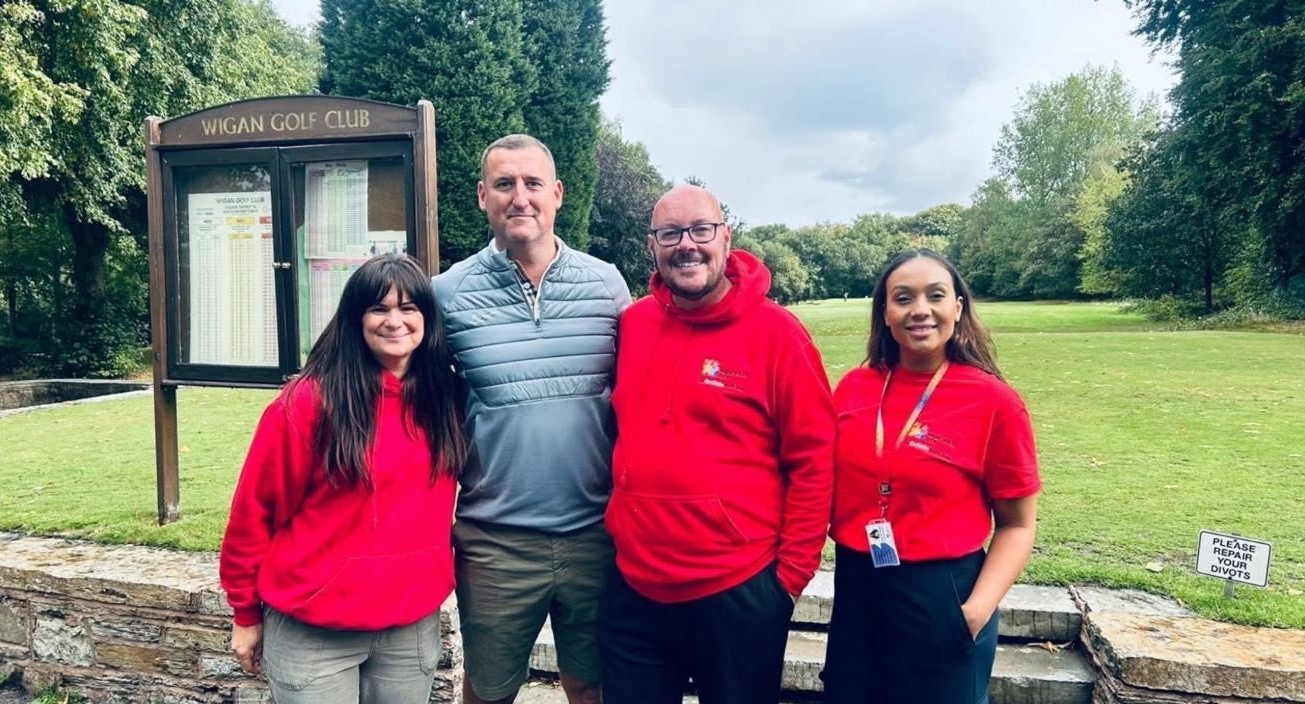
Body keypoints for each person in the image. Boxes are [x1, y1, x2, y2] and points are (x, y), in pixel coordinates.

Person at [598, 184, 835, 704]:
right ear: (652, 246)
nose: (687, 244)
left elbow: (815, 461)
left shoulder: (778, 334)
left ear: (726, 237)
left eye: (701, 230)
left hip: (737, 588)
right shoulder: (633, 325)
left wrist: (787, 582)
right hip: (635, 586)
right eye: (670, 233)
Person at [431, 134, 631, 704]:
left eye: (533, 183)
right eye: (504, 184)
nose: (520, 197)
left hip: (596, 534)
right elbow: (412, 395)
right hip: (495, 542)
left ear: (557, 194)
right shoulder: (448, 294)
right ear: (483, 196)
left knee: (592, 686)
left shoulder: (606, 285)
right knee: (489, 690)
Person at [219, 253, 468, 703]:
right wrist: (245, 612)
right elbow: (254, 512)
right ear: (355, 318)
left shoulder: (444, 398)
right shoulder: (308, 403)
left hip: (409, 627)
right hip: (315, 631)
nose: (395, 321)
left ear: (427, 318)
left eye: (408, 308)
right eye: (379, 308)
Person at [821, 249, 1041, 704]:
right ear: (885, 313)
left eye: (935, 296)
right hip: (858, 586)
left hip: (944, 592)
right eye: (903, 298)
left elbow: (1018, 525)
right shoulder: (854, 389)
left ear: (957, 308)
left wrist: (974, 613)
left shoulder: (995, 402)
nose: (919, 309)